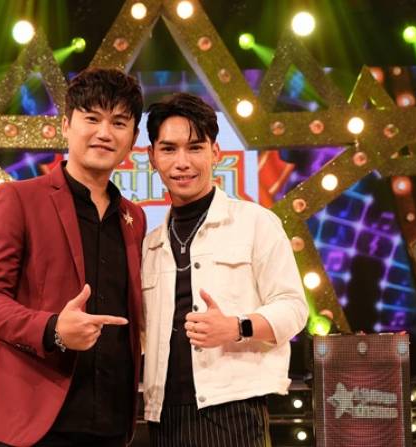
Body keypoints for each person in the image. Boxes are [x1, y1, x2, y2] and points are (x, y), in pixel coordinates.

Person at [0, 68, 146, 447]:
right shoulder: (18, 198)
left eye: (119, 123)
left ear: (133, 138)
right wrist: (53, 330)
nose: (104, 133)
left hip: (112, 420)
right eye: (91, 118)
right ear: (66, 125)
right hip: (36, 420)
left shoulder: (134, 217)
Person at [141, 93, 308, 447]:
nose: (182, 162)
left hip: (235, 409)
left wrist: (236, 327)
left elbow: (293, 308)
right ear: (151, 157)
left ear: (215, 152)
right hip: (162, 414)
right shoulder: (149, 243)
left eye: (195, 148)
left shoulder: (255, 222)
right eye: (169, 149)